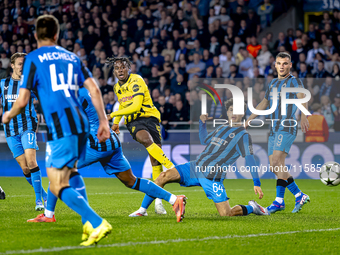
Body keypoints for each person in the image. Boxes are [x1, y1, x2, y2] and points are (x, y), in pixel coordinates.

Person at [2, 15, 110, 246]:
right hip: (81, 125)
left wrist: (7, 115)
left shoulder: (33, 58)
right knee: (70, 174)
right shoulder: (72, 57)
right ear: (57, 34)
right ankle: (86, 225)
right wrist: (104, 122)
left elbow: (21, 100)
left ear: (35, 35)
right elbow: (95, 90)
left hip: (62, 127)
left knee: (57, 183)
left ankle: (97, 221)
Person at [27, 87, 187, 224]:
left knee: (58, 169)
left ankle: (49, 215)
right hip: (111, 140)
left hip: (97, 142)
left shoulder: (72, 94)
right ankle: (174, 200)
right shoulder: (84, 90)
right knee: (131, 181)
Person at [130, 99, 270, 217]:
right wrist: (202, 123)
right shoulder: (221, 127)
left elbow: (250, 159)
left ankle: (252, 208)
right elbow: (204, 140)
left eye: (237, 110)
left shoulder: (243, 135)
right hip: (195, 167)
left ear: (243, 113)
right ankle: (142, 211)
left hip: (212, 177)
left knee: (226, 214)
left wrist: (256, 182)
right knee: (163, 176)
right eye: (231, 109)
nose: (233, 113)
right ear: (227, 112)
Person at [106, 57, 175, 215]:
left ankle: (156, 203)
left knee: (155, 163)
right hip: (134, 120)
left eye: (123, 67)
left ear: (128, 68)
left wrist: (113, 115)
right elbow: (124, 104)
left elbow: (136, 105)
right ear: (114, 72)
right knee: (145, 139)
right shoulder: (117, 87)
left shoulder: (136, 80)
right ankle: (170, 166)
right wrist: (116, 122)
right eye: (117, 68)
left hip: (150, 118)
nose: (120, 70)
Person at [246, 52, 310, 214]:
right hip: (274, 128)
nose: (282, 66)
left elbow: (303, 98)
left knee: (276, 163)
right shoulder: (273, 83)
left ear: (290, 65)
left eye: (285, 63)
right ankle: (281, 201)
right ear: (275, 65)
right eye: (279, 63)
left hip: (287, 126)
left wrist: (304, 116)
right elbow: (264, 103)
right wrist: (249, 119)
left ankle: (297, 195)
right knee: (275, 167)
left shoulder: (294, 81)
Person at [0, 52, 47, 210]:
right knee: (25, 168)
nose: (22, 67)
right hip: (10, 131)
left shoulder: (30, 84)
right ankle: (44, 195)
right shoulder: (3, 84)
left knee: (32, 161)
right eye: (20, 64)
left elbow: (45, 97)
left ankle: (39, 201)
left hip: (27, 126)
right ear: (12, 65)